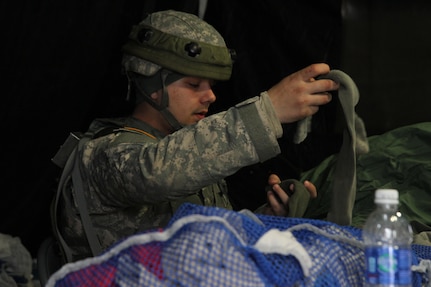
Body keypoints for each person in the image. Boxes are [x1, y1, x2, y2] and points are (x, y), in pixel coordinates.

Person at [56, 9, 338, 262]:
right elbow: (157, 172)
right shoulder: (104, 153)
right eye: (194, 84)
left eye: (212, 85)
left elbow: (210, 240)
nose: (210, 96)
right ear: (152, 84)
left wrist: (268, 216)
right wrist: (269, 112)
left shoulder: (187, 150)